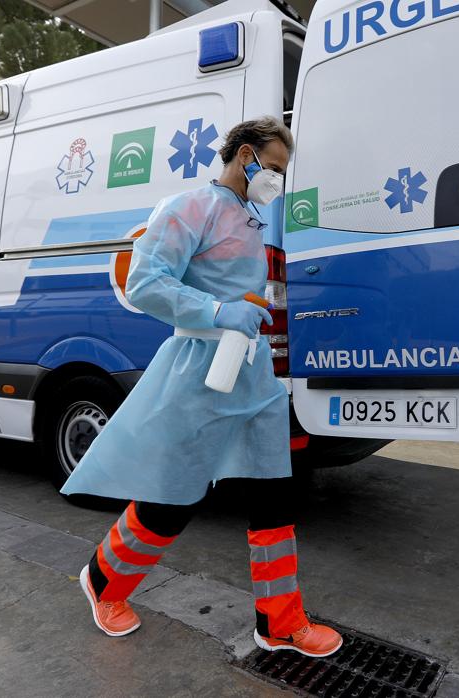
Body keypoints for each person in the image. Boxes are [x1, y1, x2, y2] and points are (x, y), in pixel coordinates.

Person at [61, 117, 343, 658]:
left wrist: (254, 311)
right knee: (174, 498)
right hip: (199, 370)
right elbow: (145, 283)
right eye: (274, 167)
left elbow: (239, 290)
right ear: (244, 155)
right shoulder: (190, 207)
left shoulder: (252, 216)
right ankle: (103, 581)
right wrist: (217, 309)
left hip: (252, 373)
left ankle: (280, 622)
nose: (278, 179)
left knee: (274, 497)